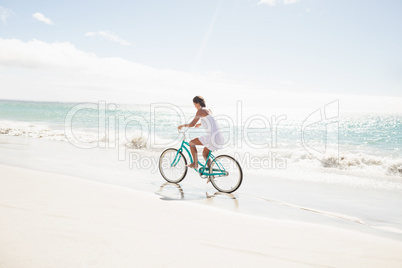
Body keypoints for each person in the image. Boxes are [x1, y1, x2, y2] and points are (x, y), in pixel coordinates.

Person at [178, 96, 224, 171]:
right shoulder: (208, 110)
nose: (195, 107)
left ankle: (195, 163)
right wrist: (200, 124)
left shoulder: (200, 110)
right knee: (205, 154)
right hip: (218, 137)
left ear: (197, 103)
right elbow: (210, 121)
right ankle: (211, 174)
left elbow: (192, 124)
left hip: (212, 138)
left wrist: (183, 125)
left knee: (191, 143)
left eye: (195, 105)